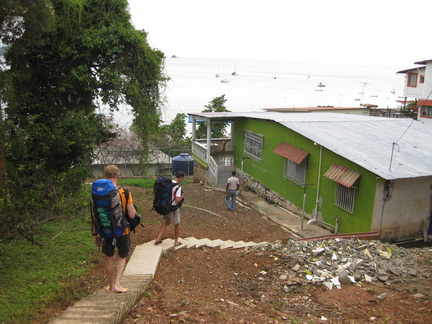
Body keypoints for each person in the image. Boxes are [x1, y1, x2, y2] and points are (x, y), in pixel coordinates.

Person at [92, 165, 136, 293]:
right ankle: (117, 284)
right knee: (122, 256)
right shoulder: (124, 192)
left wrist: (96, 233)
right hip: (122, 230)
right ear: (117, 175)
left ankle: (111, 286)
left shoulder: (97, 193)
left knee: (109, 257)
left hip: (105, 231)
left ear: (105, 176)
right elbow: (132, 214)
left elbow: (95, 215)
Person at [155, 170, 185, 246]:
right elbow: (177, 200)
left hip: (165, 207)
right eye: (183, 178)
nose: (183, 179)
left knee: (167, 222)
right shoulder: (177, 187)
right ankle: (176, 241)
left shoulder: (167, 184)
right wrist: (181, 197)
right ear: (180, 178)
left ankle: (158, 238)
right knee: (177, 224)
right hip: (173, 209)